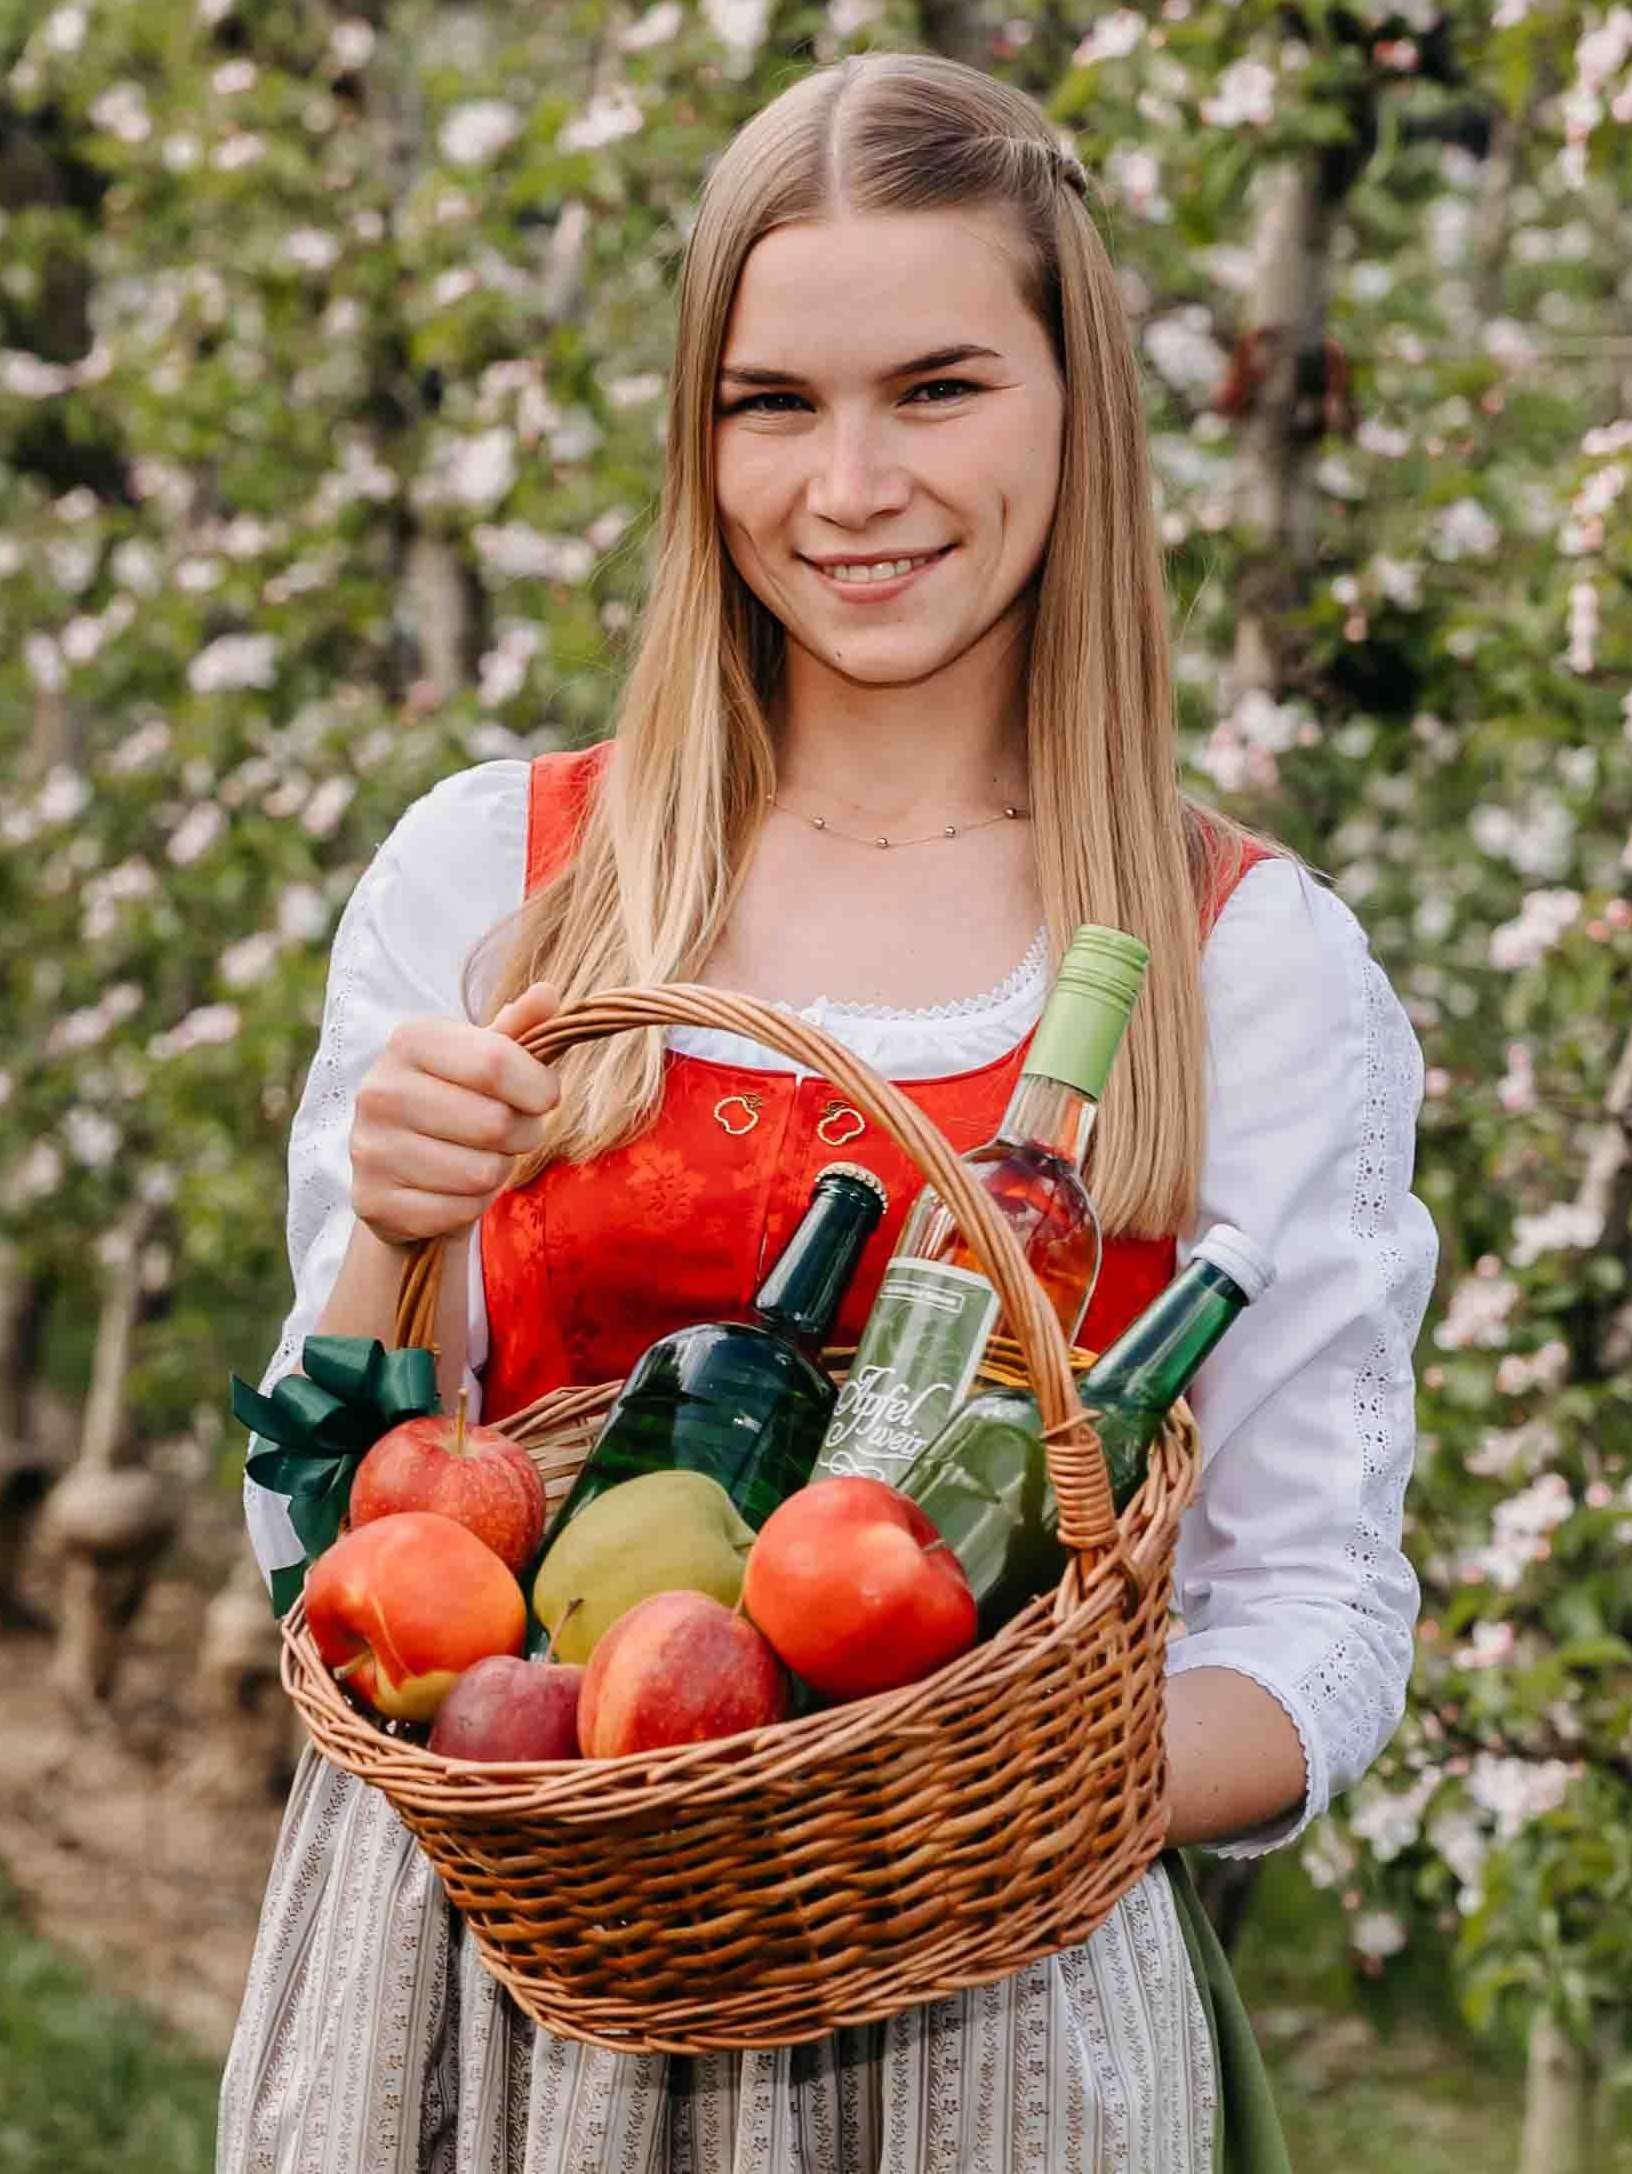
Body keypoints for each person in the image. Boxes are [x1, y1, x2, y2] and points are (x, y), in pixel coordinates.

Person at [220, 50, 1437, 2174]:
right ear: (698, 439)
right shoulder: (499, 887)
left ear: (1079, 409)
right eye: (772, 403)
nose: (850, 484)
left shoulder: (1237, 957)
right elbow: (330, 1557)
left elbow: (1315, 1611)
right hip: (480, 1998)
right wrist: (384, 1241)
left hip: (978, 2012)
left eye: (940, 388)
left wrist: (945, 1794)